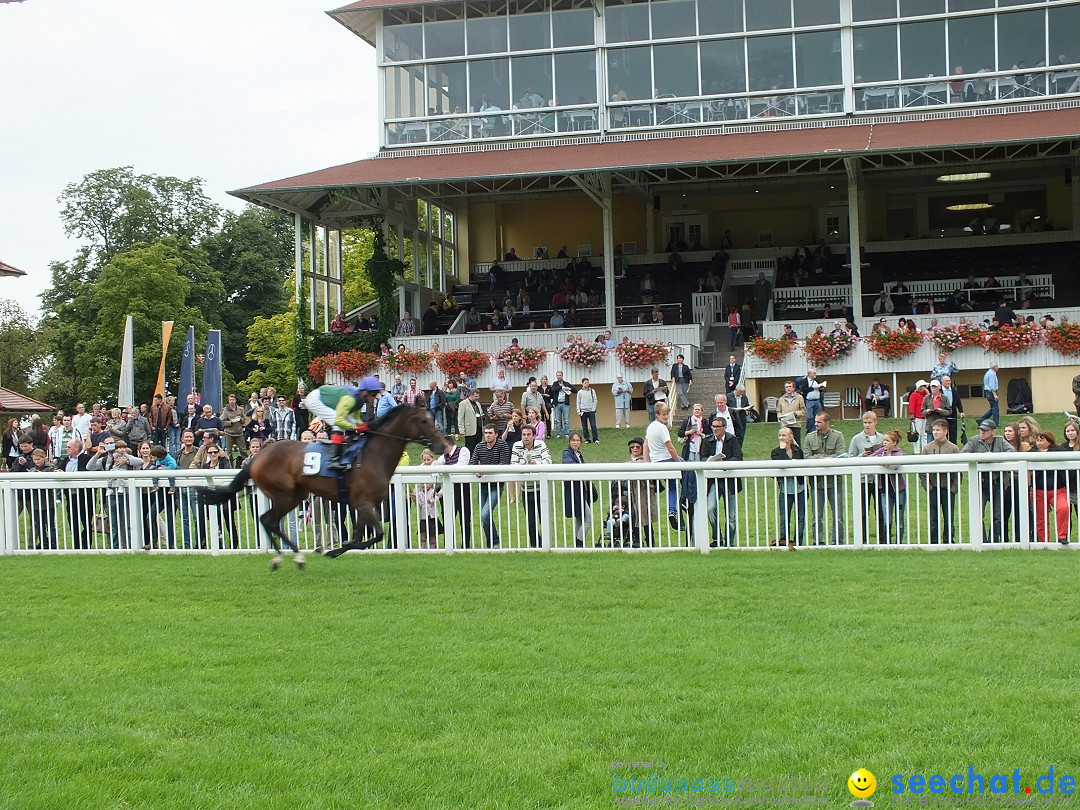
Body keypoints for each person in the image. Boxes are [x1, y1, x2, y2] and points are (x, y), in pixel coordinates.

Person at [303, 377, 383, 470]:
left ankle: (347, 449)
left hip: (324, 398)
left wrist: (362, 425)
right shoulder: (351, 399)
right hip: (315, 400)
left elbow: (355, 418)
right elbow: (339, 420)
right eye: (373, 395)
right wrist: (355, 427)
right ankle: (334, 461)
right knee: (338, 424)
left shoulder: (360, 400)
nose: (376, 397)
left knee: (350, 423)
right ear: (365, 393)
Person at [961, 419, 1015, 543]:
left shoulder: (1000, 440)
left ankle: (994, 541)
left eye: (985, 430)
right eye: (981, 429)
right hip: (981, 483)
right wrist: (984, 458)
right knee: (979, 514)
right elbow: (964, 453)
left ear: (993, 431)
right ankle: (982, 541)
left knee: (997, 515)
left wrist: (993, 459)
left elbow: (1012, 452)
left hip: (998, 482)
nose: (982, 432)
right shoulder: (975, 441)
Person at [804, 411, 846, 545]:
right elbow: (806, 457)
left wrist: (819, 458)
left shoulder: (838, 436)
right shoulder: (809, 438)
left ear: (827, 422)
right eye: (815, 421)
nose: (816, 424)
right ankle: (817, 541)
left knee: (838, 515)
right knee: (817, 516)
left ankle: (838, 541)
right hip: (817, 482)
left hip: (834, 482)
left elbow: (841, 456)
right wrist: (825, 458)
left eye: (819, 422)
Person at [701, 416, 742, 547]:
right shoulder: (707, 440)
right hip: (713, 479)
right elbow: (702, 457)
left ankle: (729, 542)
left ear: (724, 427)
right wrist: (710, 461)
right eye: (713, 426)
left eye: (718, 427)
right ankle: (717, 537)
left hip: (729, 479)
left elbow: (738, 457)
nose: (715, 429)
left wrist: (725, 462)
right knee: (710, 508)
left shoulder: (732, 439)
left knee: (731, 513)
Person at [470, 424, 511, 548]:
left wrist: (484, 470)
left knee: (485, 514)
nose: (487, 435)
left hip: (496, 485)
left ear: (496, 434)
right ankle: (491, 543)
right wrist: (476, 470)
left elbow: (504, 464)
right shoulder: (479, 446)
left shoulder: (502, 445)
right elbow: (472, 462)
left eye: (490, 433)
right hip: (483, 485)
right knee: (484, 516)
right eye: (486, 433)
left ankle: (495, 541)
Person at [921, 419, 960, 545]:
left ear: (945, 431)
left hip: (948, 488)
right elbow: (921, 470)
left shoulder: (954, 448)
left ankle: (948, 541)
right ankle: (934, 542)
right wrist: (928, 486)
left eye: (938, 430)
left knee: (949, 518)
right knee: (933, 517)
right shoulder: (927, 448)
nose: (935, 432)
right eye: (934, 430)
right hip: (933, 487)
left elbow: (958, 470)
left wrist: (953, 488)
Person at [644, 402, 682, 533]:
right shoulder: (661, 428)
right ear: (657, 415)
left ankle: (673, 511)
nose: (666, 417)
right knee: (690, 470)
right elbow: (670, 447)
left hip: (656, 463)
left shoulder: (650, 427)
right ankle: (685, 499)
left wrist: (647, 463)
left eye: (667, 414)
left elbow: (645, 445)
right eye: (664, 414)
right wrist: (679, 463)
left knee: (673, 487)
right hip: (666, 460)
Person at [1031, 431, 1070, 545]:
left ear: (1049, 441)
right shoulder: (1033, 451)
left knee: (1063, 508)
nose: (1039, 443)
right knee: (1041, 518)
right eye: (1037, 440)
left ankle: (1062, 536)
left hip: (1058, 490)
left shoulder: (1058, 450)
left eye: (1042, 440)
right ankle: (1044, 541)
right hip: (1038, 490)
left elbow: (1064, 454)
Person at [870, 430, 906, 544]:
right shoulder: (882, 451)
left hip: (898, 490)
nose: (884, 443)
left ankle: (899, 542)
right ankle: (887, 543)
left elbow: (895, 466)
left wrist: (882, 463)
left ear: (894, 442)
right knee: (887, 519)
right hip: (884, 490)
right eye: (884, 440)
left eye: (887, 440)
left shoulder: (898, 453)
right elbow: (871, 458)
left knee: (899, 518)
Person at [771, 426, 804, 550]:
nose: (781, 438)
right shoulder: (775, 452)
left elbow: (798, 466)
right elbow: (782, 466)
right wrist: (782, 451)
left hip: (799, 487)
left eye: (784, 435)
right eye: (780, 435)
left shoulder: (798, 450)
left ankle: (798, 541)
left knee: (801, 516)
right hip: (785, 489)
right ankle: (784, 540)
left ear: (791, 437)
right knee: (785, 516)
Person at [561, 431, 594, 548]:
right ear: (569, 442)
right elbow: (568, 464)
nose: (575, 443)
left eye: (577, 440)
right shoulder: (566, 453)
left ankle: (577, 545)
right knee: (588, 519)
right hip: (574, 491)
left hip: (581, 491)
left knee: (580, 519)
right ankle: (579, 544)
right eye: (573, 440)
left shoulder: (579, 454)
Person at [458, 389, 484, 453]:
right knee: (470, 448)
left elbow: (480, 413)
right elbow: (460, 417)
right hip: (469, 430)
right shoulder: (463, 403)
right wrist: (461, 428)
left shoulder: (478, 404)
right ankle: (469, 461)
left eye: (478, 396)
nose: (477, 398)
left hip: (479, 429)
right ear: (471, 395)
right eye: (475, 396)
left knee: (478, 447)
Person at [550, 370, 574, 439]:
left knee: (566, 420)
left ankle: (567, 434)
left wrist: (569, 388)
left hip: (565, 404)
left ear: (562, 376)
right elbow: (552, 390)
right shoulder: (555, 383)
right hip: (557, 404)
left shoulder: (566, 383)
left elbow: (574, 390)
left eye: (560, 375)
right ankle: (559, 434)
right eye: (557, 375)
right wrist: (561, 387)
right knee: (558, 420)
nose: (559, 377)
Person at [908, 380, 929, 452]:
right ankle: (916, 451)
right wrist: (912, 415)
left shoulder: (925, 395)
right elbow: (912, 405)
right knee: (917, 435)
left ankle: (924, 450)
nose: (924, 388)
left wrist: (927, 393)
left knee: (925, 435)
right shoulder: (914, 395)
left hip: (925, 417)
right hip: (917, 417)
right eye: (923, 386)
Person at [803, 370, 826, 434]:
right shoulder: (805, 381)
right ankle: (809, 431)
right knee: (810, 417)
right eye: (814, 373)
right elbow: (804, 390)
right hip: (809, 401)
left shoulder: (816, 380)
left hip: (817, 401)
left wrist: (821, 388)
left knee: (818, 417)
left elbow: (820, 389)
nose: (816, 374)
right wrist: (813, 388)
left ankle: (817, 431)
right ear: (810, 374)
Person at [576, 378, 599, 443]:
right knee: (584, 426)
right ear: (582, 383)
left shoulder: (592, 391)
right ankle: (587, 439)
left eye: (587, 382)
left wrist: (593, 409)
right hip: (583, 411)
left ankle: (595, 439)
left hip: (591, 411)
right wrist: (578, 411)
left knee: (593, 425)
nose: (587, 384)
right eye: (585, 382)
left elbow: (595, 400)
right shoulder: (580, 392)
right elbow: (578, 402)